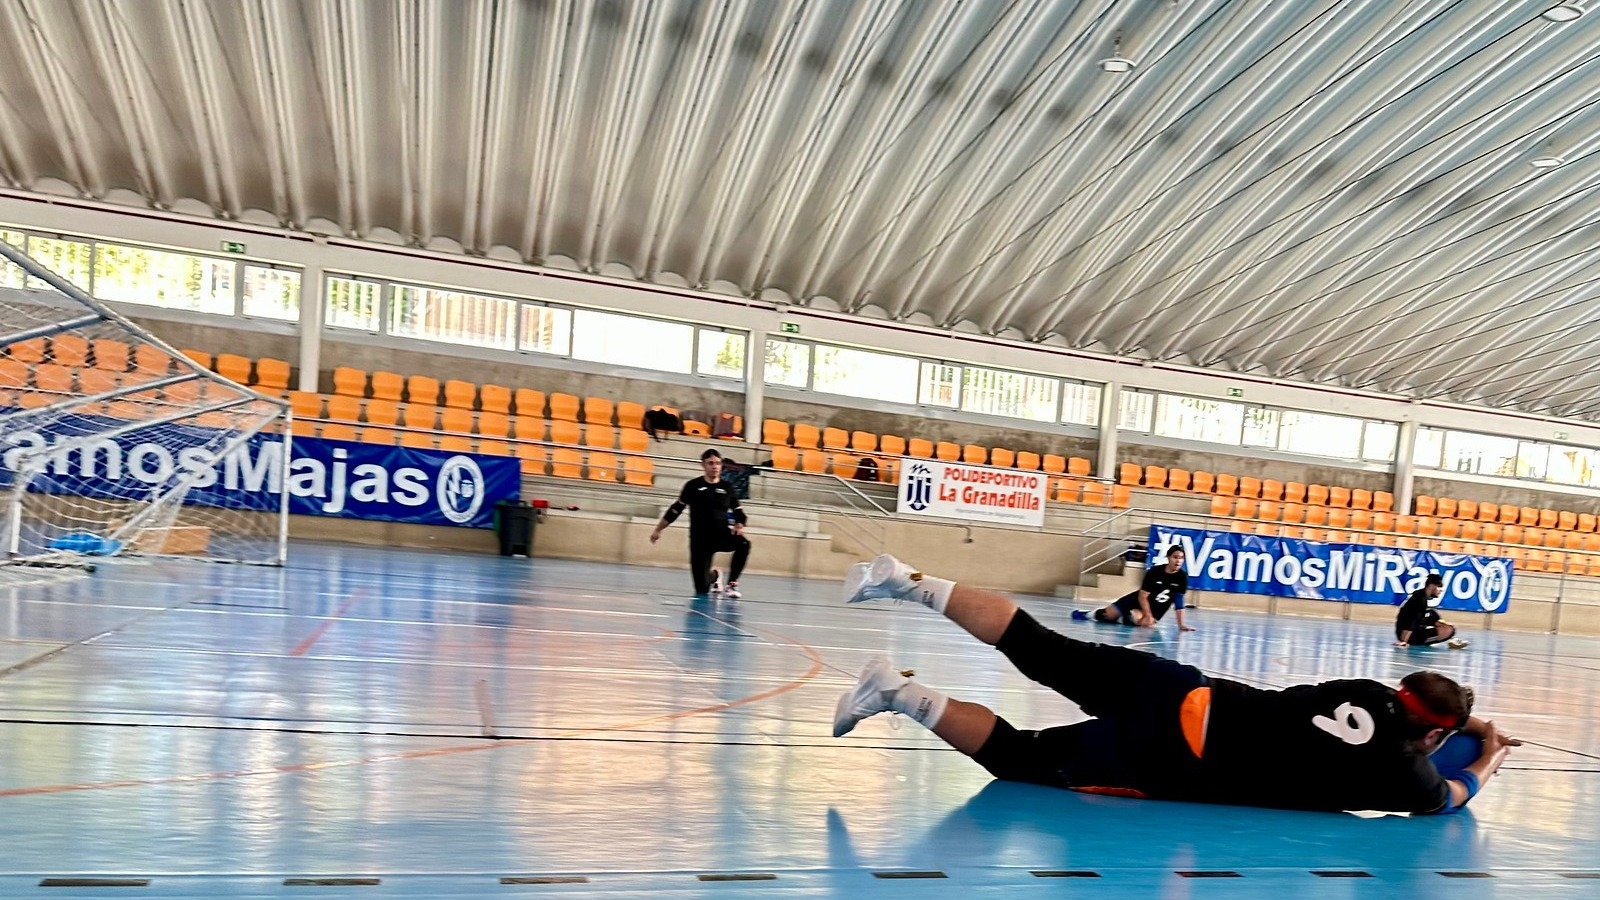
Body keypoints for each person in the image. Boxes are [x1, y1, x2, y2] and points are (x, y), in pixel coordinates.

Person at [832, 553, 1519, 814]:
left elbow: (1407, 722)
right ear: (1432, 732)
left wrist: (1455, 722)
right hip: (1170, 754)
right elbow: (1455, 795)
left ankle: (907, 582)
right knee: (1019, 757)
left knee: (1034, 644)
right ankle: (893, 690)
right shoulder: (1404, 772)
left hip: (1181, 686)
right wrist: (1488, 749)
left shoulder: (1370, 690)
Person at [649, 448, 750, 599]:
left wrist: (739, 525)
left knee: (744, 544)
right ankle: (715, 576)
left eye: (717, 463)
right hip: (700, 539)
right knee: (701, 588)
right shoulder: (693, 486)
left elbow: (739, 512)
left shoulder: (727, 488)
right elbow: (676, 509)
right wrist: (658, 529)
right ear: (703, 465)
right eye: (710, 463)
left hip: (721, 534)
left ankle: (732, 583)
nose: (715, 467)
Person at [1073, 544, 1193, 630]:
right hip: (1136, 600)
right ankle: (1088, 614)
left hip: (1156, 610)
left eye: (1181, 558)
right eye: (1175, 557)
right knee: (1107, 615)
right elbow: (1142, 596)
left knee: (1135, 619)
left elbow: (1179, 603)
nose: (1178, 561)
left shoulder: (1182, 577)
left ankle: (1122, 618)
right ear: (1168, 557)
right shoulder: (1155, 572)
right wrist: (1148, 615)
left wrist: (1181, 625)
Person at [1396, 573, 1469, 649]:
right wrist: (1404, 641)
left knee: (1444, 624)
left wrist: (1443, 624)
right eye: (1439, 587)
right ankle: (1416, 641)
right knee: (1448, 630)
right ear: (1431, 586)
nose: (1441, 590)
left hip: (1414, 631)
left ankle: (1451, 639)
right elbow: (1410, 622)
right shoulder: (1418, 601)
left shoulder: (1421, 596)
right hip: (1411, 636)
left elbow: (1428, 616)